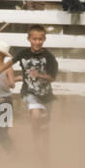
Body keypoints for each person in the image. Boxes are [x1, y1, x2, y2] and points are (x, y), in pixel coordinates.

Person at [10, 26, 59, 161]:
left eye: (40, 39)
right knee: (36, 115)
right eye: (34, 39)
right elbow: (10, 65)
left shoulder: (49, 57)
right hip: (30, 92)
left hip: (46, 94)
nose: (37, 42)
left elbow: (52, 77)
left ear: (44, 39)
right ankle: (37, 142)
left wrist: (40, 75)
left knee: (45, 126)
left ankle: (43, 152)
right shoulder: (23, 54)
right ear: (29, 39)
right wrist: (11, 78)